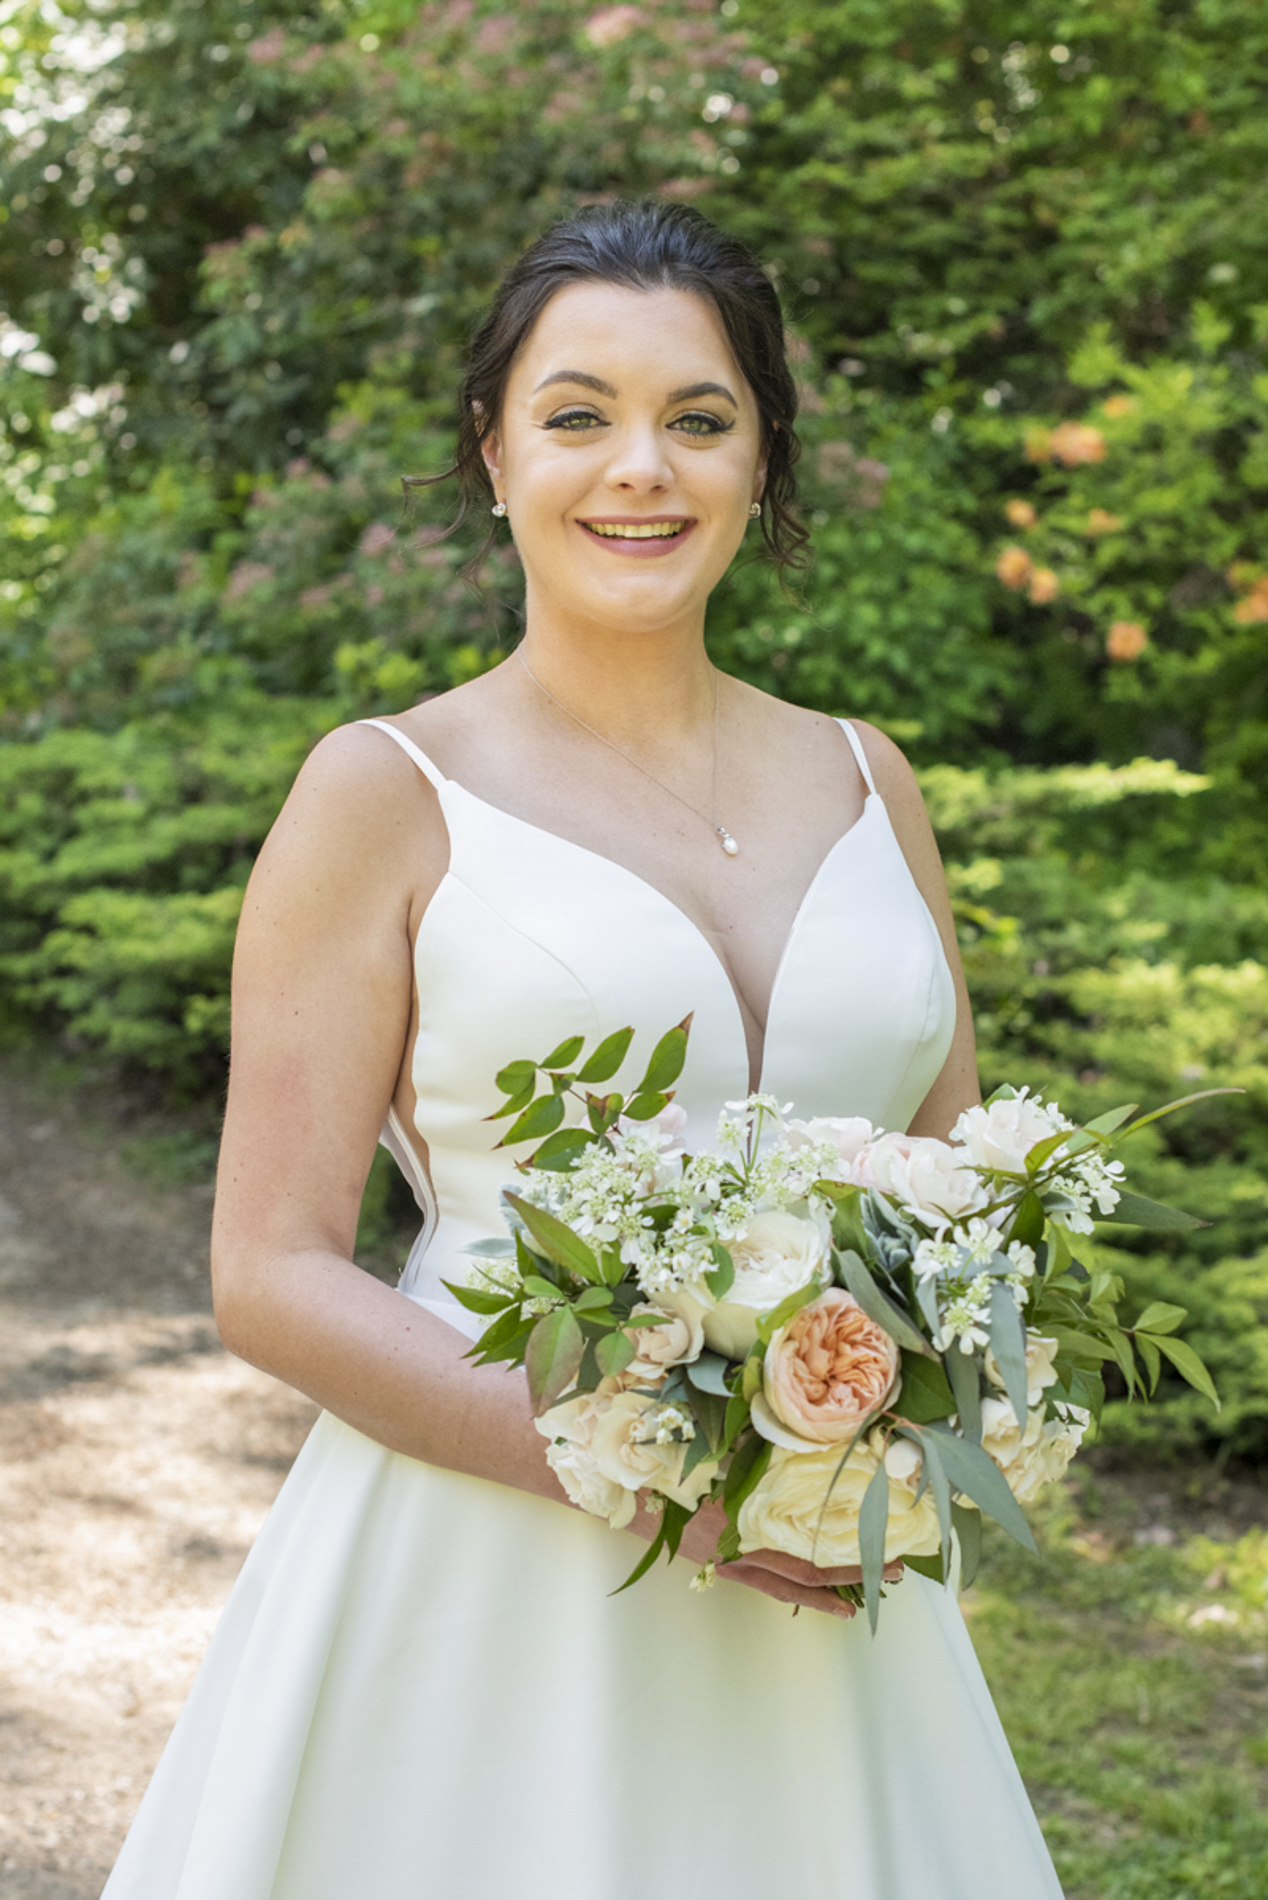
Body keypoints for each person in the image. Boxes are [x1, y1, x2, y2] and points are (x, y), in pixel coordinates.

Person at [103, 201, 1063, 1899]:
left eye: (700, 418)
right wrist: (661, 1484)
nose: (644, 468)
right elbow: (269, 1269)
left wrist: (912, 1414)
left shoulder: (868, 776)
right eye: (578, 415)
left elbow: (959, 1190)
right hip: (488, 1574)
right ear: (493, 456)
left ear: (764, 463)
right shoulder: (380, 792)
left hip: (836, 1580)